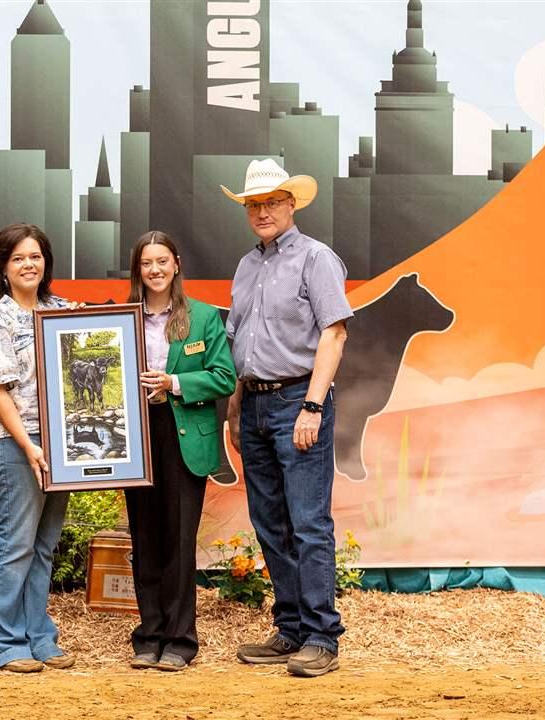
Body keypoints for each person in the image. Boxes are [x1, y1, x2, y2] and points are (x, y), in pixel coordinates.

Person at [221, 159, 353, 678]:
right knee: (270, 522)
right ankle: (292, 626)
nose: (262, 212)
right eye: (254, 204)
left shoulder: (316, 258)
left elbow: (335, 333)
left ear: (291, 204)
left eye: (272, 202)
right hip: (253, 404)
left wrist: (313, 406)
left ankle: (322, 635)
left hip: (299, 399)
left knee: (308, 522)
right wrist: (235, 408)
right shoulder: (247, 265)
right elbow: (239, 344)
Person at [124, 231, 237, 672]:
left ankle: (180, 640)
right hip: (136, 435)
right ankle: (148, 635)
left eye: (162, 261)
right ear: (138, 269)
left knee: (178, 538)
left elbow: (224, 377)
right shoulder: (122, 317)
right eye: (146, 263)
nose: (154, 270)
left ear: (176, 264)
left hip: (183, 432)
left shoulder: (204, 318)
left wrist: (175, 384)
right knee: (145, 537)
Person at [0, 223, 74, 673]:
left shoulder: (65, 312)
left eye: (35, 256)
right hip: (15, 443)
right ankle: (3, 643)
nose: (28, 264)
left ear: (46, 261)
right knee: (16, 542)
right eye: (18, 258)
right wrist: (28, 444)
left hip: (62, 446)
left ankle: (39, 635)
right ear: (4, 268)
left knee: (45, 543)